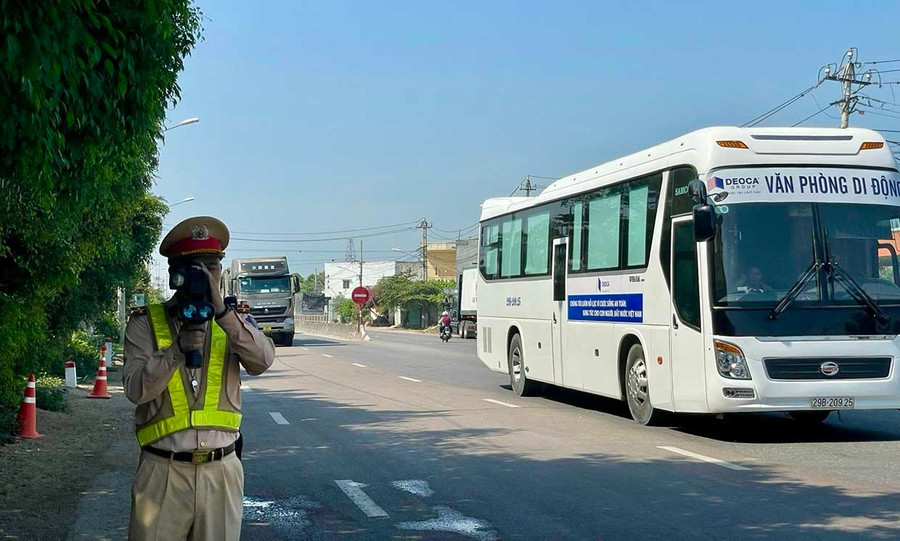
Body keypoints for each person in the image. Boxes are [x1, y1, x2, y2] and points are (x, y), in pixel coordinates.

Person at [124, 216, 275, 540]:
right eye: (195, 268)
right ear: (174, 275)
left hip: (221, 472)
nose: (205, 276)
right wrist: (175, 351)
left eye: (213, 267)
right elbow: (136, 390)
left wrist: (223, 313)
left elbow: (262, 361)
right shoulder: (145, 323)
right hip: (161, 473)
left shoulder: (232, 321)